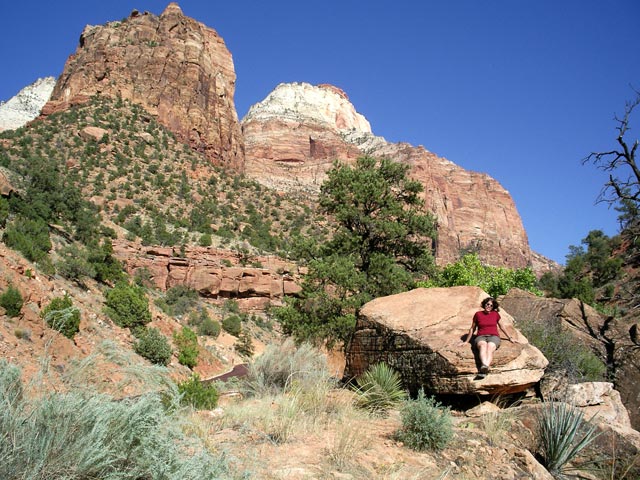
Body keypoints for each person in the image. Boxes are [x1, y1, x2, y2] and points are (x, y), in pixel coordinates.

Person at [460, 297, 515, 376]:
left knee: (490, 347)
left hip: (494, 336)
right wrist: (466, 341)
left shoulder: (495, 314)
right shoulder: (478, 314)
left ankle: (484, 367)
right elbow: (472, 328)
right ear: (484, 304)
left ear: (493, 307)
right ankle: (485, 368)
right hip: (481, 336)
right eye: (487, 304)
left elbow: (502, 327)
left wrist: (510, 337)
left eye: (491, 305)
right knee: (483, 346)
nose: (489, 306)